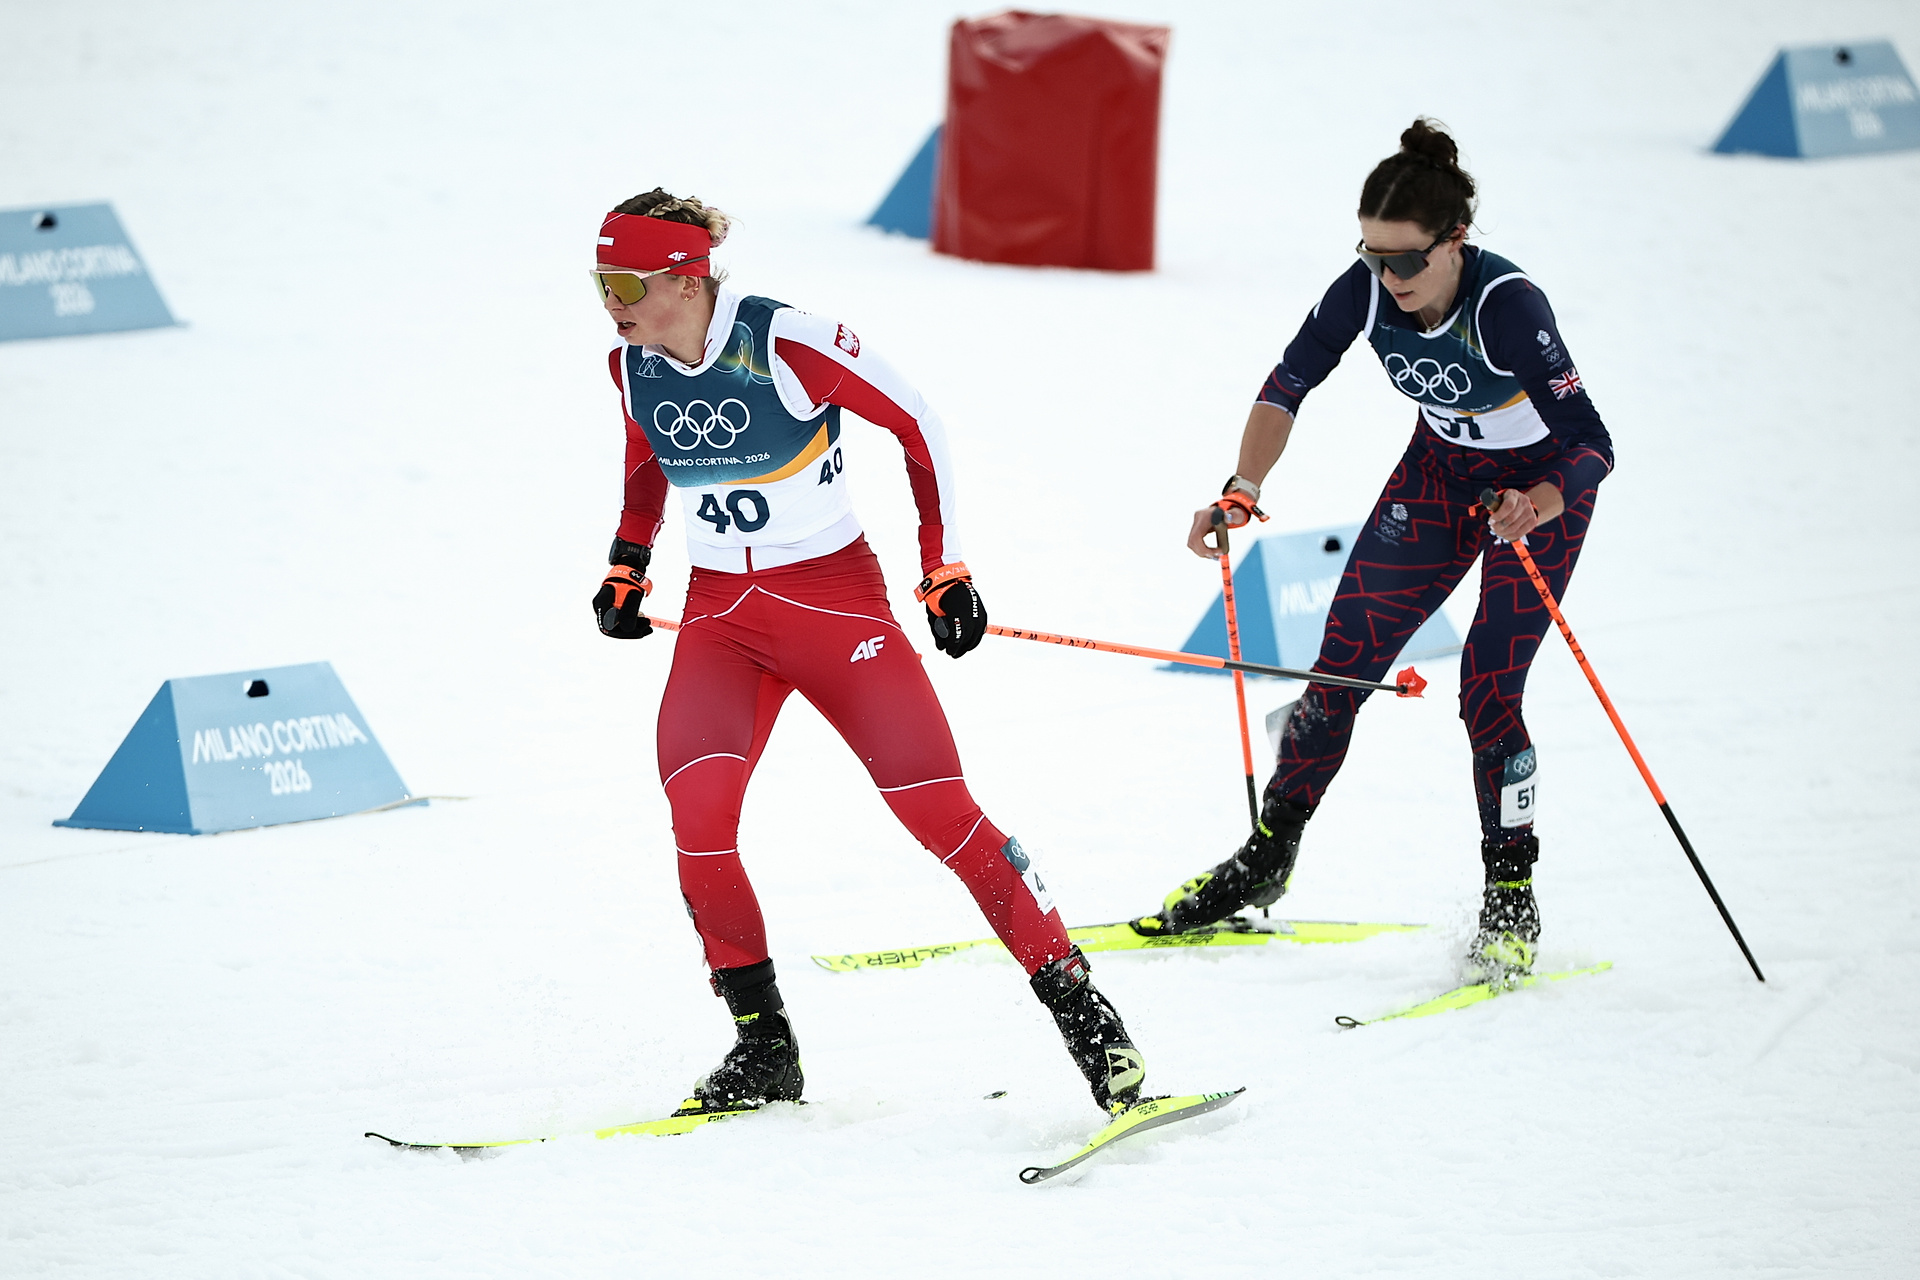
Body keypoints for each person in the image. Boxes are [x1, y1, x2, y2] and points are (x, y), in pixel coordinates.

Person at [587, 189, 1144, 1116]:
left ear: (687, 278)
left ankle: (1088, 1018)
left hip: (834, 609)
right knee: (699, 822)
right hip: (722, 620)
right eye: (600, 280)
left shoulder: (786, 341)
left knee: (941, 815)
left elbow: (916, 422)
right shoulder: (631, 364)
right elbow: (647, 457)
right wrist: (627, 561)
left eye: (628, 282)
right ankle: (764, 1050)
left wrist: (944, 567)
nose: (611, 301)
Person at [1136, 121, 1614, 983]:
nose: (1388, 278)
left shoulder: (1508, 306)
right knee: (1341, 666)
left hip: (1537, 491)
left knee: (1489, 689)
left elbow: (1592, 443)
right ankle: (1268, 855)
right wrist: (1242, 485)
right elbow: (1288, 382)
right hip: (1438, 476)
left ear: (1455, 239)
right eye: (1372, 255)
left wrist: (1536, 504)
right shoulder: (1364, 289)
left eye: (1406, 260)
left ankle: (1512, 897)